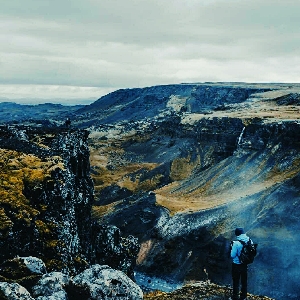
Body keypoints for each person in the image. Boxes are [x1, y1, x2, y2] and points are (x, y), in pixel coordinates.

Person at [230, 227, 252, 300]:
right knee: (244, 281)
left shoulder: (236, 243)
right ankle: (243, 297)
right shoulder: (249, 240)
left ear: (237, 234)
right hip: (245, 264)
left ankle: (235, 297)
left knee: (236, 281)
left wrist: (232, 247)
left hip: (236, 265)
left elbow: (232, 255)